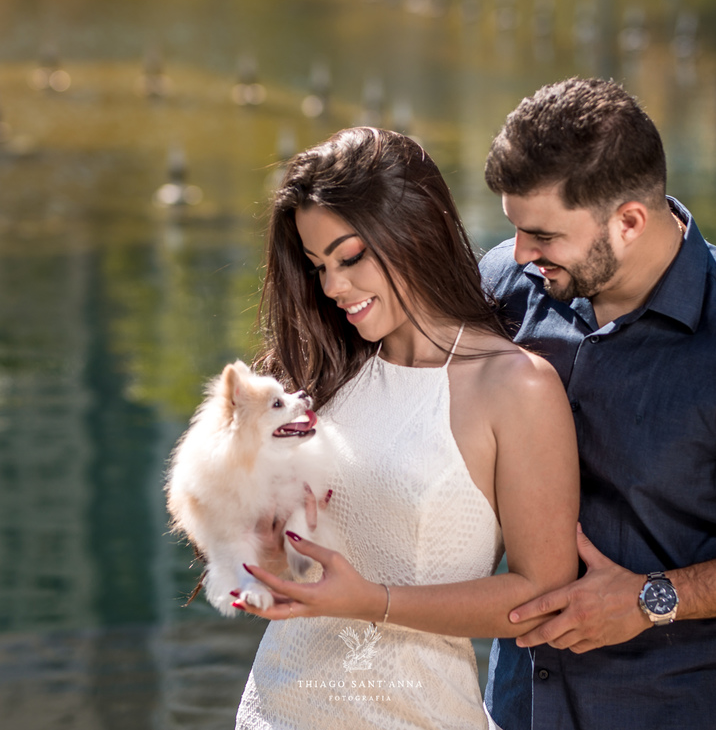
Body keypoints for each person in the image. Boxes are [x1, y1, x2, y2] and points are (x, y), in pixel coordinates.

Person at [478, 77, 716, 730]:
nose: (519, 254)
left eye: (543, 234)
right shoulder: (508, 285)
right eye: (515, 228)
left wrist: (651, 598)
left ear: (628, 221)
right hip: (513, 709)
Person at [230, 127, 580, 729]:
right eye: (318, 267)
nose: (333, 287)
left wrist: (373, 603)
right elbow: (283, 568)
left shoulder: (516, 386)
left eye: (350, 257)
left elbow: (539, 596)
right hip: (276, 709)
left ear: (414, 229)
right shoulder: (327, 369)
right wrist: (262, 548)